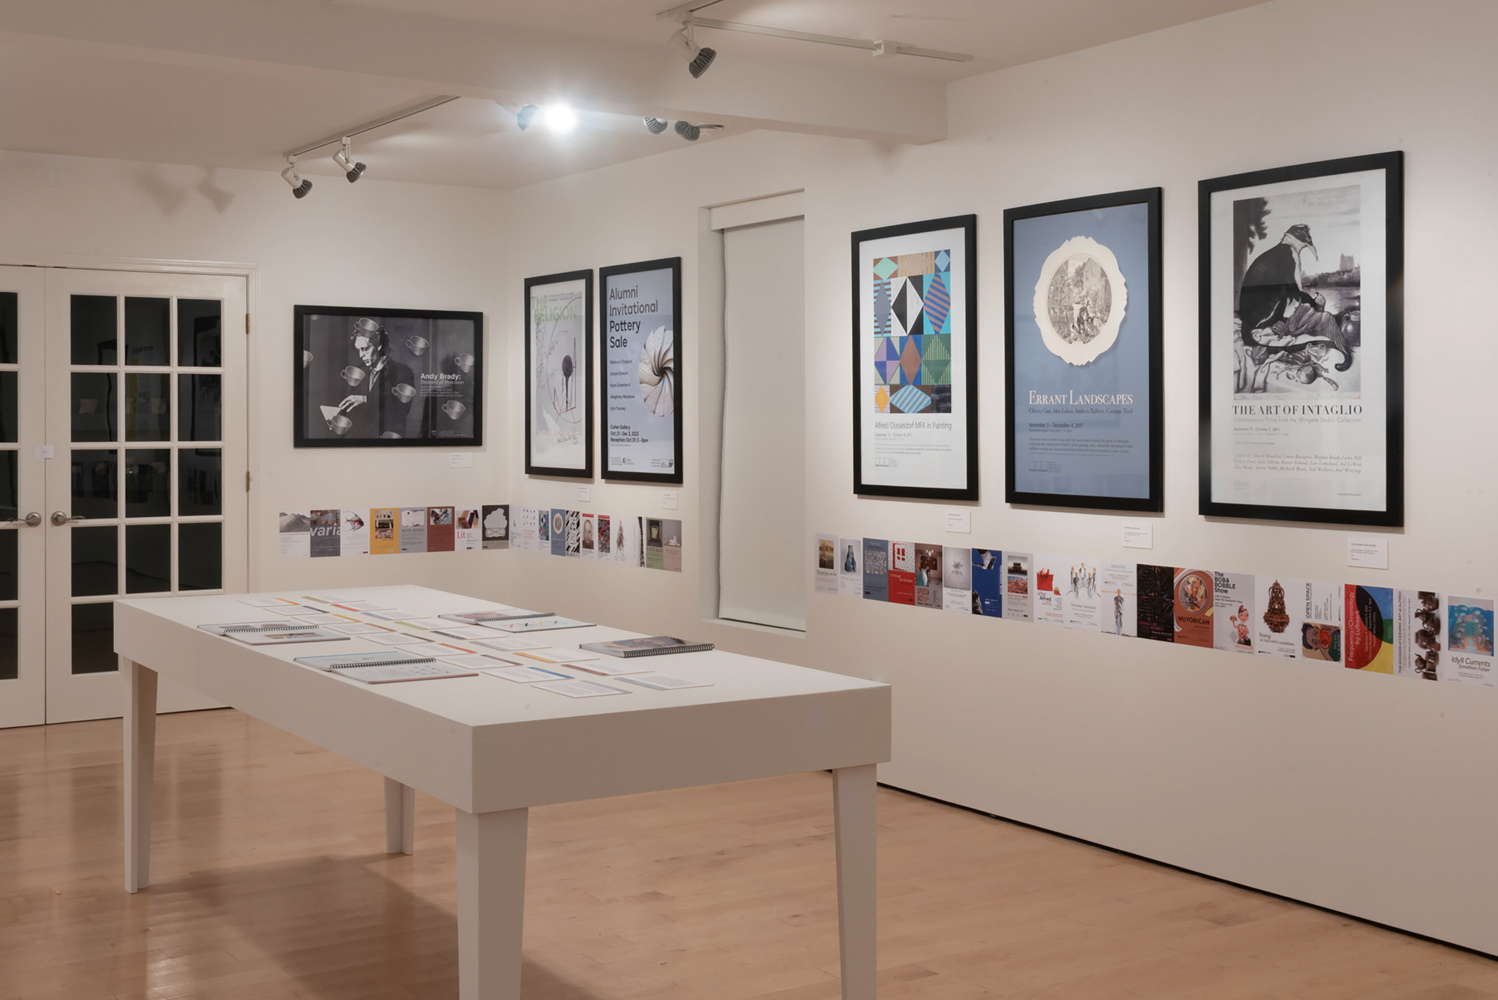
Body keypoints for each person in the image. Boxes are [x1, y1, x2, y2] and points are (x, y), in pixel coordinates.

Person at [337, 318, 417, 438]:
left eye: (365, 349)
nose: (361, 355)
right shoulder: (358, 371)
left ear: (379, 345)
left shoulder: (402, 372)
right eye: (358, 350)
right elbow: (352, 410)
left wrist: (366, 400)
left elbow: (400, 411)